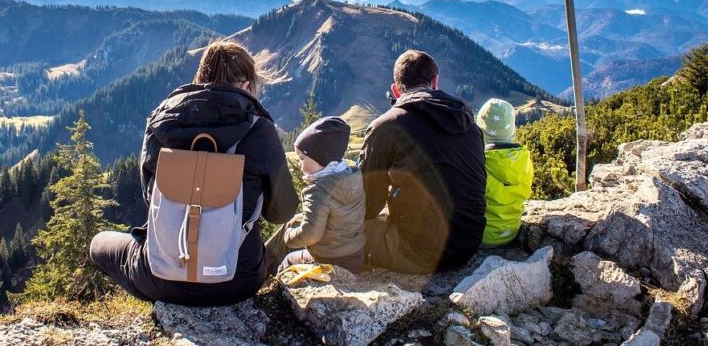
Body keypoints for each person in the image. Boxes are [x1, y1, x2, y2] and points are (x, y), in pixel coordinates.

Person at [89, 40, 298, 306]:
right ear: (246, 85)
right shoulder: (260, 130)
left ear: (200, 78)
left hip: (159, 278)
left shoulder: (161, 121)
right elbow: (282, 211)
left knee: (99, 243)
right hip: (236, 280)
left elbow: (149, 195)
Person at [359, 50, 486, 273]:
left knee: (331, 231)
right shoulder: (468, 123)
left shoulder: (387, 126)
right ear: (435, 82)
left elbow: (369, 204)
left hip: (417, 254)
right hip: (468, 245)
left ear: (396, 90)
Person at [264, 116, 365, 274]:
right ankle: (262, 262)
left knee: (289, 259)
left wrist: (288, 237)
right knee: (293, 221)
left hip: (329, 259)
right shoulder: (353, 177)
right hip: (354, 255)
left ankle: (268, 283)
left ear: (320, 159)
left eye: (302, 158)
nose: (299, 163)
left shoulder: (319, 191)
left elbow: (310, 234)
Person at [476, 98, 533, 247]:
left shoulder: (479, 161)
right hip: (512, 231)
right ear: (512, 129)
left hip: (482, 236)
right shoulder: (524, 159)